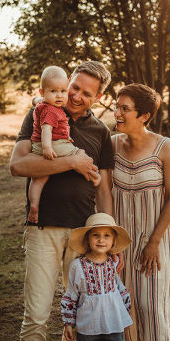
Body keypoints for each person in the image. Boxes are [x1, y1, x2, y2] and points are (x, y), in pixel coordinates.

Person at [9, 61, 114, 341]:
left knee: (80, 312)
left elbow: (103, 188)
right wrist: (72, 160)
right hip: (42, 230)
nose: (78, 96)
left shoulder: (100, 131)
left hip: (82, 233)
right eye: (75, 87)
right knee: (37, 314)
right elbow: (19, 166)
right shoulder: (38, 114)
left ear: (98, 97)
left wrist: (109, 234)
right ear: (65, 84)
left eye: (88, 92)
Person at [104, 83, 170, 341]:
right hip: (121, 242)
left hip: (154, 240)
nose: (118, 113)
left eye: (125, 108)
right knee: (127, 305)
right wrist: (110, 242)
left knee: (153, 304)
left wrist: (154, 242)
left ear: (144, 115)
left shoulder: (166, 147)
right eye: (117, 106)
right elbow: (106, 193)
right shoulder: (110, 145)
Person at [60, 213, 140, 341]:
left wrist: (124, 309)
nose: (101, 240)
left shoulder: (112, 263)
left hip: (111, 319)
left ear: (113, 241)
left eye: (106, 235)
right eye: (96, 235)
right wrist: (69, 321)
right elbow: (71, 295)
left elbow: (118, 288)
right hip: (89, 321)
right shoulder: (78, 266)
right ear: (87, 240)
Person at [27, 66, 101, 224]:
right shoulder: (53, 110)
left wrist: (40, 98)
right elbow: (47, 129)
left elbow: (37, 100)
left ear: (97, 97)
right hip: (54, 144)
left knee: (38, 180)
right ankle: (94, 175)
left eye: (62, 91)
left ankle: (34, 204)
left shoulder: (41, 104)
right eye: (54, 92)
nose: (60, 96)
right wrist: (48, 148)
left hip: (37, 146)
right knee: (79, 153)